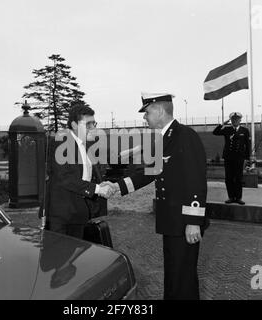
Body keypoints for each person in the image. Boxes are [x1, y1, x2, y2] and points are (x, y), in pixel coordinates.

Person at [103, 92, 209, 300]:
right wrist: (116, 186)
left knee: (183, 278)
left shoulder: (185, 136)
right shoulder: (164, 139)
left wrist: (194, 221)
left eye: (147, 112)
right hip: (172, 221)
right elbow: (147, 173)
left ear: (160, 111)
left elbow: (196, 180)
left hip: (183, 222)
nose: (145, 117)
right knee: (174, 274)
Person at [45, 104, 114, 239]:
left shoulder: (85, 145)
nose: (93, 128)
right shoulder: (61, 142)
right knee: (60, 257)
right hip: (62, 215)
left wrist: (102, 184)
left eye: (93, 123)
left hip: (78, 212)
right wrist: (98, 189)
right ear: (74, 125)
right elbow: (65, 178)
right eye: (88, 124)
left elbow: (89, 174)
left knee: (76, 256)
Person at [213, 112, 250, 205]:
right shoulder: (227, 129)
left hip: (239, 158)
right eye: (233, 119)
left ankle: (238, 198)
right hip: (228, 157)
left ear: (240, 120)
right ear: (231, 121)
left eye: (237, 119)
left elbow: (247, 145)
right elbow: (215, 132)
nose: (235, 121)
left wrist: (247, 158)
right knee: (229, 178)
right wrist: (222, 124)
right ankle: (231, 197)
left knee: (238, 178)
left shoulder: (244, 130)